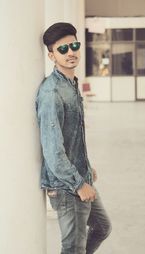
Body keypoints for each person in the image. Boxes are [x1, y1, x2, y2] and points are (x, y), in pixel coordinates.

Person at [36, 22, 111, 254]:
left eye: (74, 45)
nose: (70, 52)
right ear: (51, 55)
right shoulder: (52, 93)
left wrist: (86, 167)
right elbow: (52, 150)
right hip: (68, 186)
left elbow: (73, 136)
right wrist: (78, 184)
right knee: (73, 248)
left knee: (102, 227)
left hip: (81, 175)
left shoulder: (70, 84)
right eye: (62, 49)